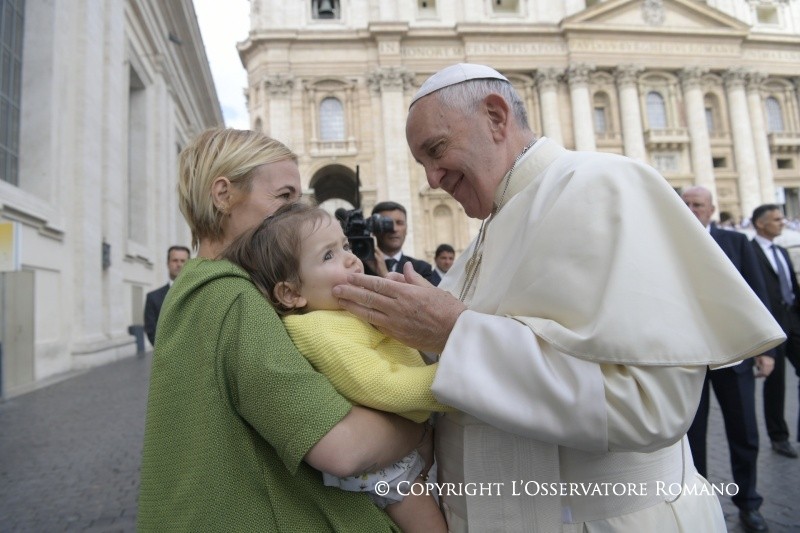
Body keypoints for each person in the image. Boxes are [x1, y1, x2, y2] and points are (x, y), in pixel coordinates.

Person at [331, 63, 785, 532]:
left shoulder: (604, 186)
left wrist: (452, 332)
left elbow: (652, 407)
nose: (430, 179)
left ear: (495, 116)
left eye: (436, 150)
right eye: (421, 163)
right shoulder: (486, 234)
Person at [137, 128, 431, 532]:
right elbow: (342, 448)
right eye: (284, 197)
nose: (297, 212)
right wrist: (419, 430)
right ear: (223, 195)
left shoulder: (195, 286)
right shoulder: (232, 297)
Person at [223, 202, 449, 533]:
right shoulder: (318, 329)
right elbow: (383, 385)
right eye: (328, 256)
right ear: (291, 293)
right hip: (391, 471)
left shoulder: (341, 310)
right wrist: (456, 381)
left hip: (401, 443)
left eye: (344, 245)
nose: (350, 257)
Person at [681, 186, 775, 533]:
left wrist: (765, 350)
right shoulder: (666, 245)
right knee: (691, 435)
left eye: (698, 205)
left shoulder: (737, 244)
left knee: (744, 431)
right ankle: (698, 504)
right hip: (687, 359)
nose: (691, 210)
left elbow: (757, 299)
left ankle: (749, 503)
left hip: (734, 356)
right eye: (686, 204)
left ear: (711, 209)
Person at [750, 204, 800, 460]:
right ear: (761, 223)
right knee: (776, 384)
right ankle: (779, 437)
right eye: (777, 219)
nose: (783, 223)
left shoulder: (781, 250)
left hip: (793, 320)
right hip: (771, 324)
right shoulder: (749, 251)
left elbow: (791, 285)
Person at [371, 201, 434, 282]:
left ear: (406, 228)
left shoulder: (422, 269)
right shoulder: (359, 267)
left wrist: (384, 274)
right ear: (373, 228)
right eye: (387, 223)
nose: (394, 229)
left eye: (399, 223)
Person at [143, 245, 190, 346]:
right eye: (175, 260)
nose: (179, 264)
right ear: (168, 263)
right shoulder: (153, 298)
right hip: (165, 359)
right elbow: (152, 333)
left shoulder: (199, 294)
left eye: (183, 261)